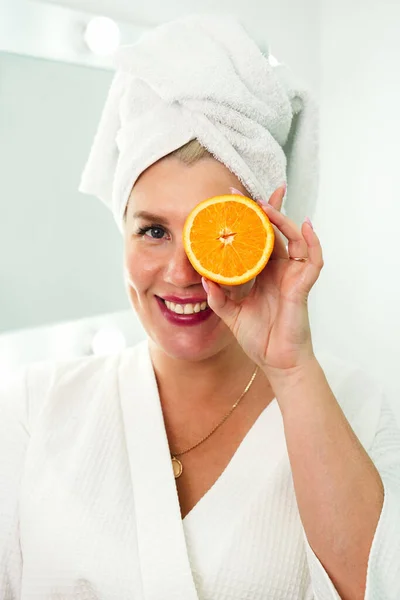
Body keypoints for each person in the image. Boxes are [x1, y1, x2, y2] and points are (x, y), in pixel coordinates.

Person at [1, 14, 399, 600]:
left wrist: (291, 369)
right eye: (154, 232)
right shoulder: (33, 407)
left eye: (216, 234)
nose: (183, 273)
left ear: (264, 235)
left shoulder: (359, 409)